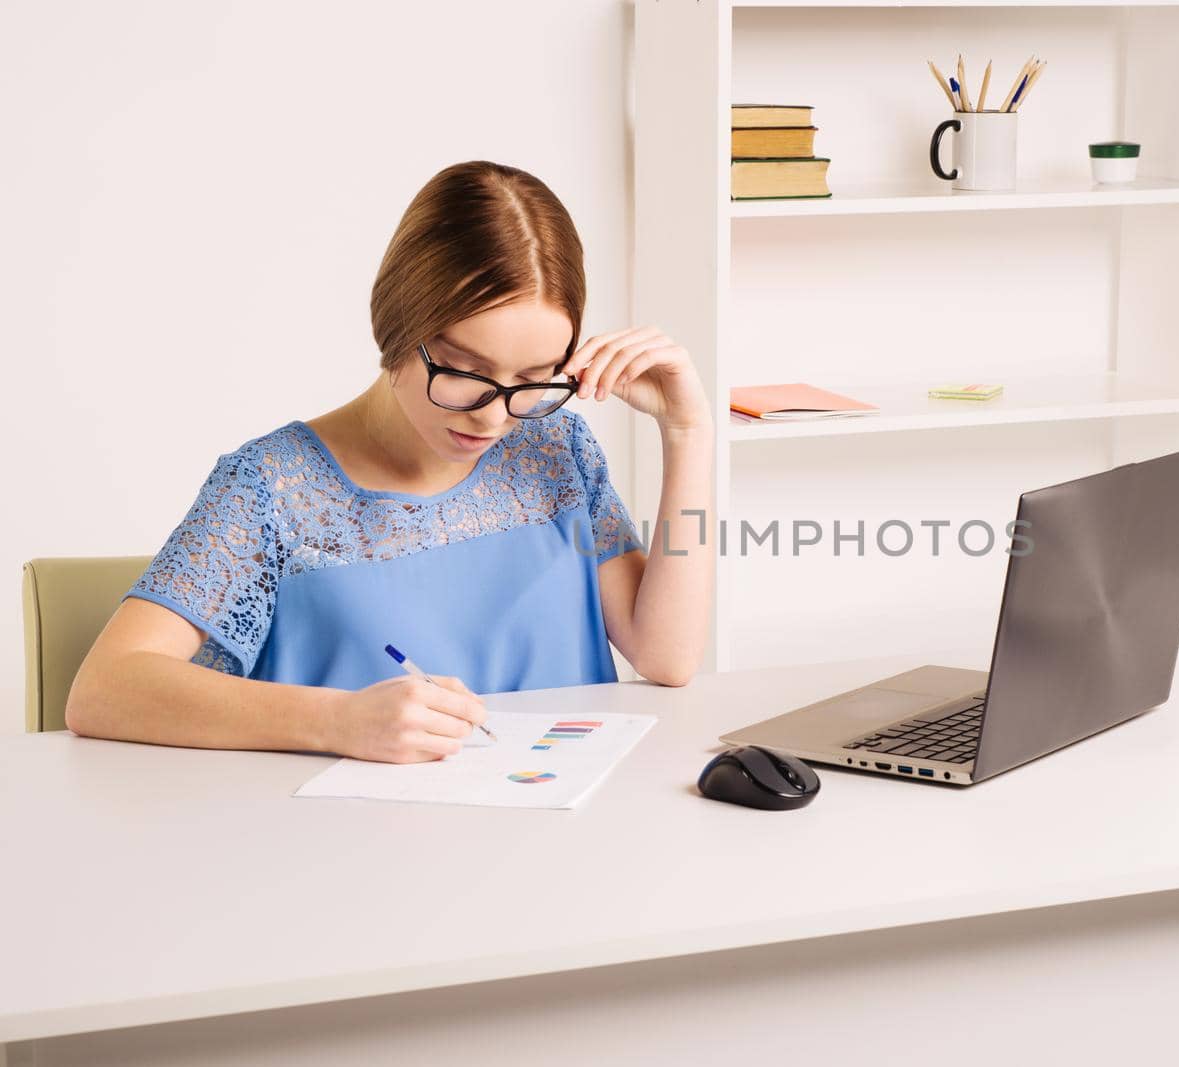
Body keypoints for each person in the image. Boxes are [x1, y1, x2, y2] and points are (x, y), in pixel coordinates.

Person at [65, 161, 714, 763]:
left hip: (563, 837)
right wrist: (335, 721)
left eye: (534, 379)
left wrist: (687, 430)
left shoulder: (556, 451)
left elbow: (667, 653)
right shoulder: (272, 487)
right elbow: (104, 688)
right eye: (465, 371)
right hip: (356, 861)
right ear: (398, 324)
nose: (493, 416)